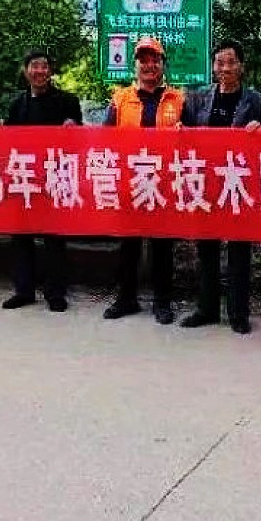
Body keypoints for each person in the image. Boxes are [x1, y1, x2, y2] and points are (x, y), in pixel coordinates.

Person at [179, 40, 261, 335]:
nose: (225, 68)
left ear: (241, 66)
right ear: (213, 66)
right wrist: (180, 131)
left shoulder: (257, 103)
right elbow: (184, 133)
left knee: (239, 252)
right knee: (206, 250)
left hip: (238, 184)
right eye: (220, 62)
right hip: (206, 183)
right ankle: (206, 309)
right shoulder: (197, 99)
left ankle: (238, 313)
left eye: (231, 62)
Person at [103, 36, 185, 325]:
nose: (150, 65)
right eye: (144, 60)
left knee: (162, 246)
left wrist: (184, 133)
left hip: (164, 183)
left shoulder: (178, 99)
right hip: (130, 181)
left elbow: (193, 141)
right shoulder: (120, 99)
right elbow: (106, 140)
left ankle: (162, 302)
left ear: (163, 64)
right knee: (128, 245)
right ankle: (126, 298)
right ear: (135, 65)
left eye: (155, 60)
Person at [3, 49, 83, 312]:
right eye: (34, 66)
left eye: (44, 66)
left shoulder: (67, 101)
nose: (39, 71)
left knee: (54, 238)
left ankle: (55, 292)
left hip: (54, 177)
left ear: (50, 71)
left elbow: (78, 140)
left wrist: (73, 128)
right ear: (26, 71)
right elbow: (7, 140)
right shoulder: (17, 104)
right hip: (25, 177)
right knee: (20, 236)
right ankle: (23, 290)